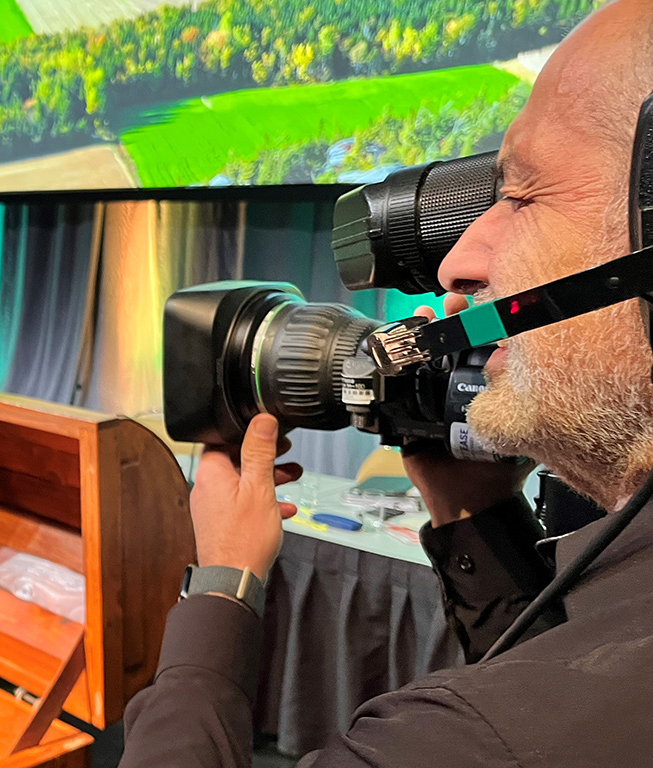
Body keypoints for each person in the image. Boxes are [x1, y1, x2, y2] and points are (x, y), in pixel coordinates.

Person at [119, 2, 653, 765]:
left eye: (523, 196)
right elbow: (559, 670)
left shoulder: (465, 740)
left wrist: (223, 587)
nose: (455, 264)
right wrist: (477, 514)